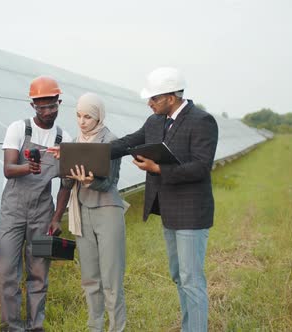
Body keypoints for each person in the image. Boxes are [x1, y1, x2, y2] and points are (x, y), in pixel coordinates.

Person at [109, 67, 219, 331]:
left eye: (153, 98)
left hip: (192, 213)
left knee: (191, 279)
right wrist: (83, 151)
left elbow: (201, 167)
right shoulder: (155, 122)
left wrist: (159, 169)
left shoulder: (202, 121)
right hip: (169, 211)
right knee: (179, 276)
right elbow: (126, 143)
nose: (149, 103)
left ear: (171, 97)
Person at [0, 76, 72, 332]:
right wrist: (28, 167)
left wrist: (57, 217)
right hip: (13, 211)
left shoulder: (64, 138)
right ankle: (12, 328)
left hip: (43, 213)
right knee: (8, 273)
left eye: (52, 105)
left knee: (38, 275)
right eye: (42, 107)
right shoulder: (19, 129)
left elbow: (67, 183)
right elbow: (8, 169)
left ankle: (35, 327)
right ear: (33, 106)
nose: (48, 112)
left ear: (59, 102)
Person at [61, 93, 127, 332]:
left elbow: (111, 181)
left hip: (107, 209)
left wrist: (90, 180)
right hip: (82, 210)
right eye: (78, 116)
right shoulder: (76, 141)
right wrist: (65, 170)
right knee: (90, 277)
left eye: (88, 116)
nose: (82, 121)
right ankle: (94, 327)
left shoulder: (111, 140)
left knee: (111, 278)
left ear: (98, 116)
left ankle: (116, 328)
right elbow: (67, 184)